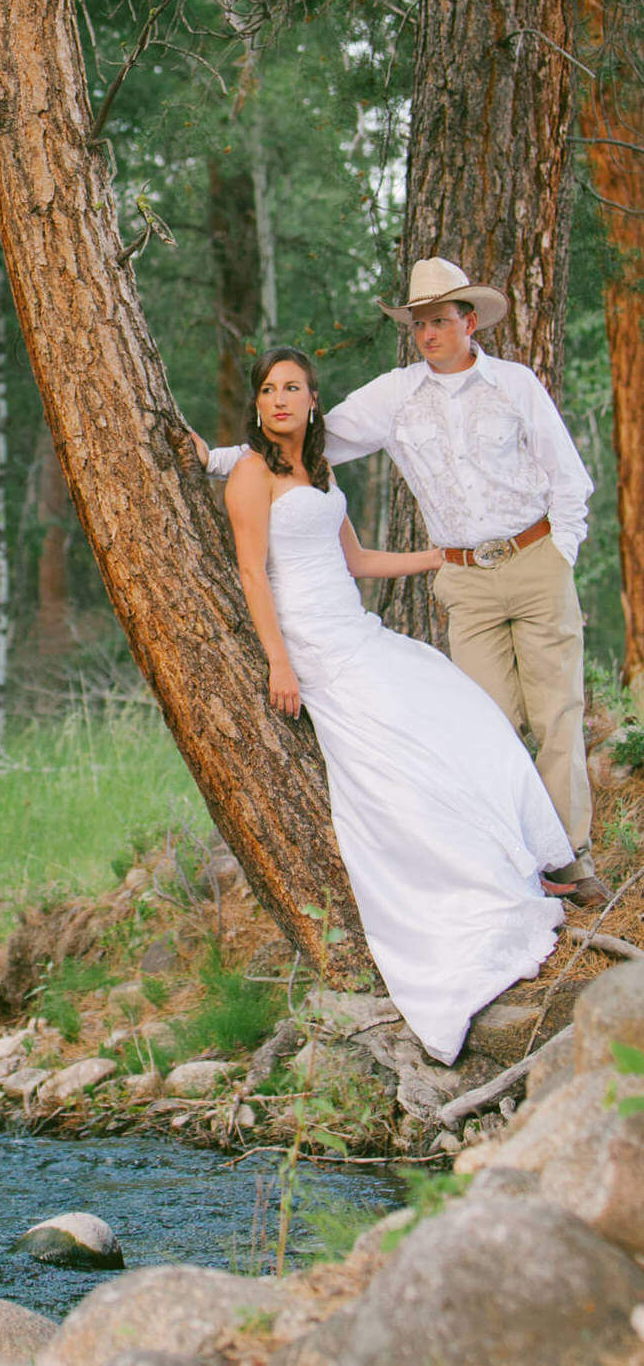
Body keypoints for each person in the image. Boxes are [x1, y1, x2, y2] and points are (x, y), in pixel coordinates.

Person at [215, 346, 569, 1063]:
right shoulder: (251, 474)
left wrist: (444, 555)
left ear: (314, 401)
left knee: (460, 709)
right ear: (257, 406)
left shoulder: (318, 469)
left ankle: (511, 859)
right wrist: (280, 661)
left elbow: (357, 561)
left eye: (292, 388)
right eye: (267, 390)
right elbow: (253, 573)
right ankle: (460, 904)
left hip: (356, 628)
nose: (278, 399)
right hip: (315, 649)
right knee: (406, 759)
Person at [203, 256, 596, 900]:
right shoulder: (395, 395)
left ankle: (568, 856)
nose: (428, 334)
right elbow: (308, 438)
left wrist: (563, 553)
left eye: (440, 320)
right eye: (418, 324)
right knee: (482, 718)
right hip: (465, 578)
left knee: (557, 713)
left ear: (469, 322)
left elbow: (568, 477)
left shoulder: (516, 385)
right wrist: (217, 459)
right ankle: (510, 854)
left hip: (535, 559)